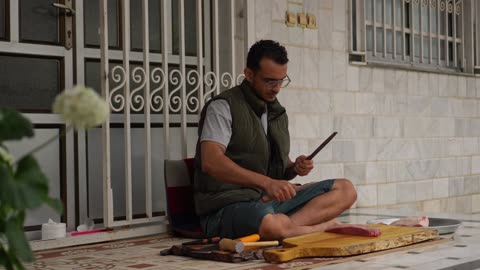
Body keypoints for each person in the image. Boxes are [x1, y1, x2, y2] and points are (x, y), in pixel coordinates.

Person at [193, 40, 357, 240]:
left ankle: (288, 227)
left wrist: (294, 167)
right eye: (270, 81)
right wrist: (267, 183)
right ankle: (320, 227)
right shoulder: (222, 107)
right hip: (227, 206)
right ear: (249, 74)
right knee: (269, 223)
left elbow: (276, 169)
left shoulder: (276, 112)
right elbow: (211, 162)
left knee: (345, 189)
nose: (277, 88)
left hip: (267, 202)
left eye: (281, 80)